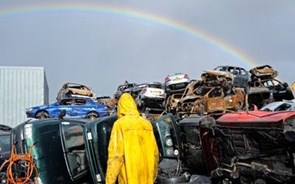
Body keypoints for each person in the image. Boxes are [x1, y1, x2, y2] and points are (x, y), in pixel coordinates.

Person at [105, 93, 159, 184]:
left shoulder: (119, 125)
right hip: (146, 176)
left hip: (129, 177)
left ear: (120, 107)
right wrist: (153, 175)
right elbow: (155, 153)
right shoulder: (146, 124)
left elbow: (116, 156)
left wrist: (109, 181)